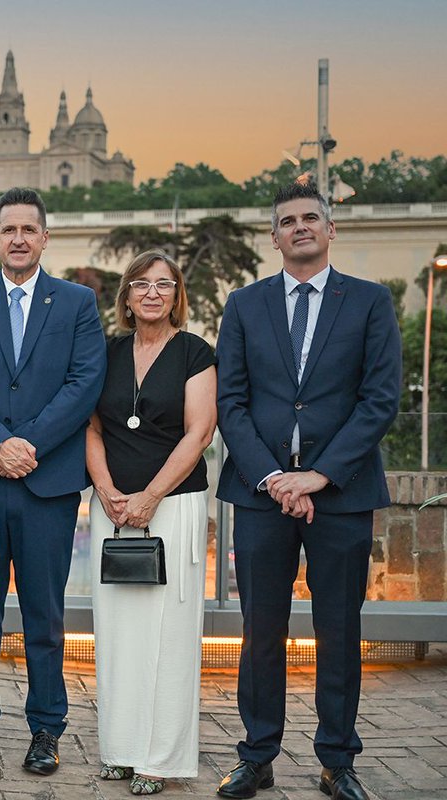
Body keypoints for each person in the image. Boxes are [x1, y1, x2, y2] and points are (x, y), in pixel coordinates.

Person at [215, 181, 401, 800]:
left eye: (310, 218)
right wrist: (273, 476)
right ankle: (258, 754)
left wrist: (318, 475)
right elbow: (232, 402)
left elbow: (380, 400)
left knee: (339, 630)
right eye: (287, 220)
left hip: (340, 495)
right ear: (274, 236)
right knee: (259, 630)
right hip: (260, 495)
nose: (299, 227)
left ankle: (336, 762)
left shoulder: (370, 303)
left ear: (330, 228)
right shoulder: (244, 305)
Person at [0, 187, 106, 774]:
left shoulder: (78, 302)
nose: (18, 239)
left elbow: (85, 381)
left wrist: (28, 443)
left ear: (45, 238)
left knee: (44, 614)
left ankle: (46, 729)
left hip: (46, 478)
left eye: (29, 230)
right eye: (8, 229)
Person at [85, 251, 216, 795]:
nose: (152, 293)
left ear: (177, 294)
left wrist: (150, 496)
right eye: (141, 284)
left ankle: (161, 756)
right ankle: (120, 747)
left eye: (164, 284)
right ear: (127, 296)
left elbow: (200, 432)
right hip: (113, 510)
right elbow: (90, 429)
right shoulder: (107, 351)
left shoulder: (195, 352)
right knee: (117, 633)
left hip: (174, 506)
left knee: (169, 636)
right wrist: (110, 492)